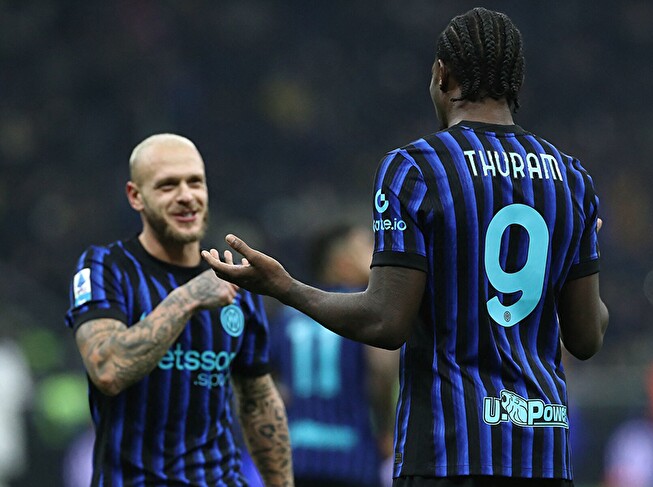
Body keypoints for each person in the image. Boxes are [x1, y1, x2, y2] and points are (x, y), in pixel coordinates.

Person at [203, 7, 608, 487]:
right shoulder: (571, 180)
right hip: (543, 455)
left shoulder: (416, 168)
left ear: (442, 75)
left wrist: (286, 288)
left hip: (447, 451)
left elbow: (385, 320)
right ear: (515, 83)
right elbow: (587, 337)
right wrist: (581, 253)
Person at [64, 133, 293, 486]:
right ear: (135, 196)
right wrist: (188, 298)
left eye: (195, 182)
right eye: (168, 185)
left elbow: (258, 401)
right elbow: (107, 369)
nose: (186, 195)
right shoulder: (105, 268)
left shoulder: (234, 278)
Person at [268, 223, 399, 487]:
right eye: (368, 247)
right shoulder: (363, 311)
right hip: (352, 458)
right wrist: (386, 430)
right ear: (342, 262)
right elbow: (382, 372)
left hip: (295, 455)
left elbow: (267, 381)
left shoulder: (289, 315)